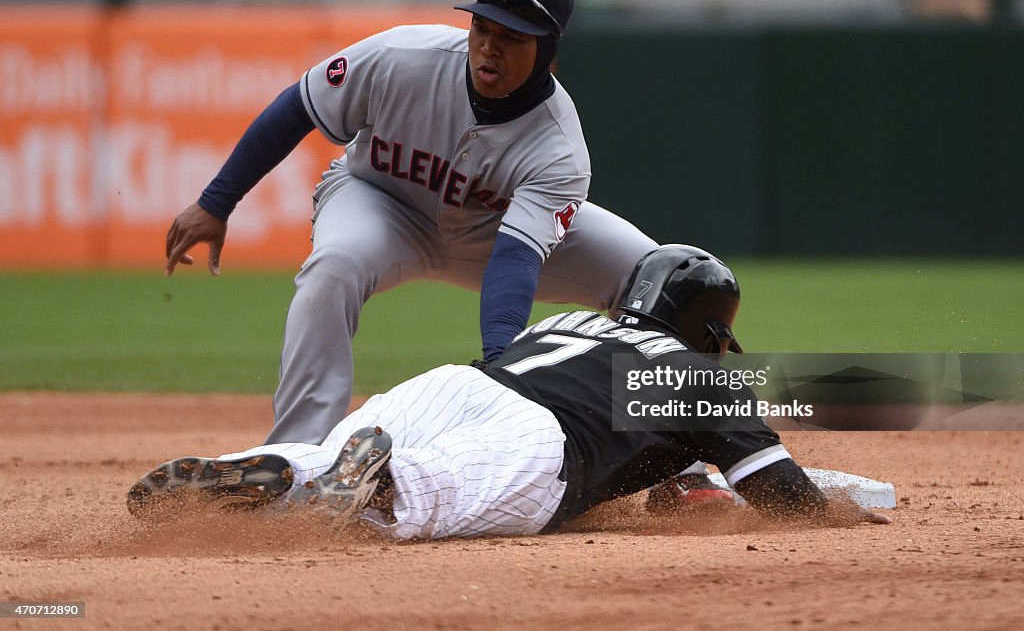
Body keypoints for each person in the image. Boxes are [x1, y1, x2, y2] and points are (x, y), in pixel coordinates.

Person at [163, 0, 657, 446]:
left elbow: (515, 259)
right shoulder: (401, 55)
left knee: (664, 277)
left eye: (512, 38)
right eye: (482, 28)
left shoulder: (559, 149)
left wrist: (499, 362)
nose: (489, 47)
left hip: (492, 233)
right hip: (380, 202)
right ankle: (294, 452)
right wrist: (216, 202)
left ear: (547, 51)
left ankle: (689, 458)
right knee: (334, 265)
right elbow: (298, 106)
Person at [128, 245, 891, 538]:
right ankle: (375, 482)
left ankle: (272, 466)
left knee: (334, 451)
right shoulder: (696, 379)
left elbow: (668, 482)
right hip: (541, 439)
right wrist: (842, 516)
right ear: (712, 333)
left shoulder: (570, 323)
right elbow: (784, 499)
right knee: (426, 497)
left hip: (455, 385)